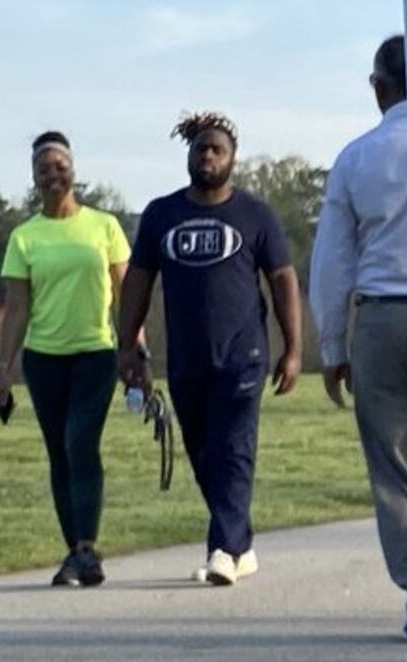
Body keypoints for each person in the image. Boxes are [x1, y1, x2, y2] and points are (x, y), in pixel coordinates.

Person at [115, 112, 302, 586]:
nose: (208, 156)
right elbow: (137, 281)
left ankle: (222, 549)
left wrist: (293, 347)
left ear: (233, 159)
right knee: (203, 454)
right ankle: (241, 544)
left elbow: (282, 278)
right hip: (187, 357)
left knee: (233, 449)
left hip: (243, 355)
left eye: (218, 149)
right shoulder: (162, 214)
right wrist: (127, 345)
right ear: (189, 155)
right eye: (201, 148)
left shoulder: (255, 214)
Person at [311, 35, 407, 641]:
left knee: (394, 463)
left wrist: (333, 346)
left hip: (384, 317)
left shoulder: (357, 157)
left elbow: (334, 263)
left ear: (379, 87)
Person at [0, 129, 130, 588]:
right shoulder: (24, 237)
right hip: (44, 359)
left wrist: (136, 349)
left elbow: (126, 295)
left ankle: (87, 548)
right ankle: (75, 551)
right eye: (43, 169)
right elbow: (16, 309)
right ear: (34, 177)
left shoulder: (104, 227)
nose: (52, 174)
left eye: (59, 166)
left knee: (79, 442)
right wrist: (4, 371)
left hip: (95, 353)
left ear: (73, 170)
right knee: (58, 452)